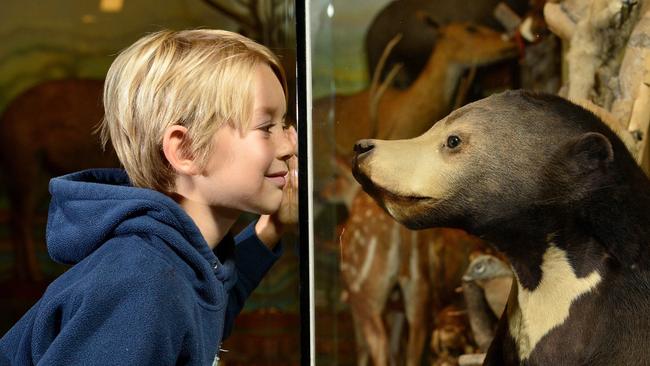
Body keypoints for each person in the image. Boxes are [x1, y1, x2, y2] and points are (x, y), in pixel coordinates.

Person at [0, 29, 296, 365]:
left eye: (284, 123)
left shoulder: (171, 263)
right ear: (186, 150)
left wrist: (270, 230)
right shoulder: (142, 284)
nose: (290, 144)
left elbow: (202, 314)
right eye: (265, 126)